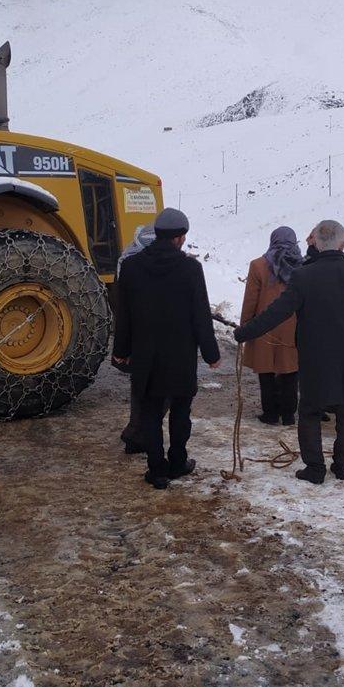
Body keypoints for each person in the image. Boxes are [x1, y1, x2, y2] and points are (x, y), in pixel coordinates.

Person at [234, 220, 344, 484]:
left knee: (310, 412)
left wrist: (245, 332)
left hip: (315, 358)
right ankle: (342, 466)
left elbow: (277, 312)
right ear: (342, 244)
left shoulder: (304, 275)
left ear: (317, 243)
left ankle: (314, 468)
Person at [112, 209, 220, 489]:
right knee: (180, 413)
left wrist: (121, 350)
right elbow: (200, 316)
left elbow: (124, 315)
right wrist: (211, 354)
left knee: (149, 414)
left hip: (146, 357)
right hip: (181, 356)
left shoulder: (132, 268)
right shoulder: (191, 269)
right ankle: (177, 461)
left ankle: (157, 469)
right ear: (180, 237)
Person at [240, 227, 303, 426]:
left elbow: (251, 298)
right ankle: (288, 414)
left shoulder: (258, 265)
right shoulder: (302, 266)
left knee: (266, 370)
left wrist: (246, 326)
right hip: (293, 325)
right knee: (290, 370)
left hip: (264, 325)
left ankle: (270, 413)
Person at [115, 223, 157, 452]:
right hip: (146, 340)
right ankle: (136, 434)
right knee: (156, 392)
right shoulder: (133, 264)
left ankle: (136, 434)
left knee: (141, 389)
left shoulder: (127, 261)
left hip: (137, 341)